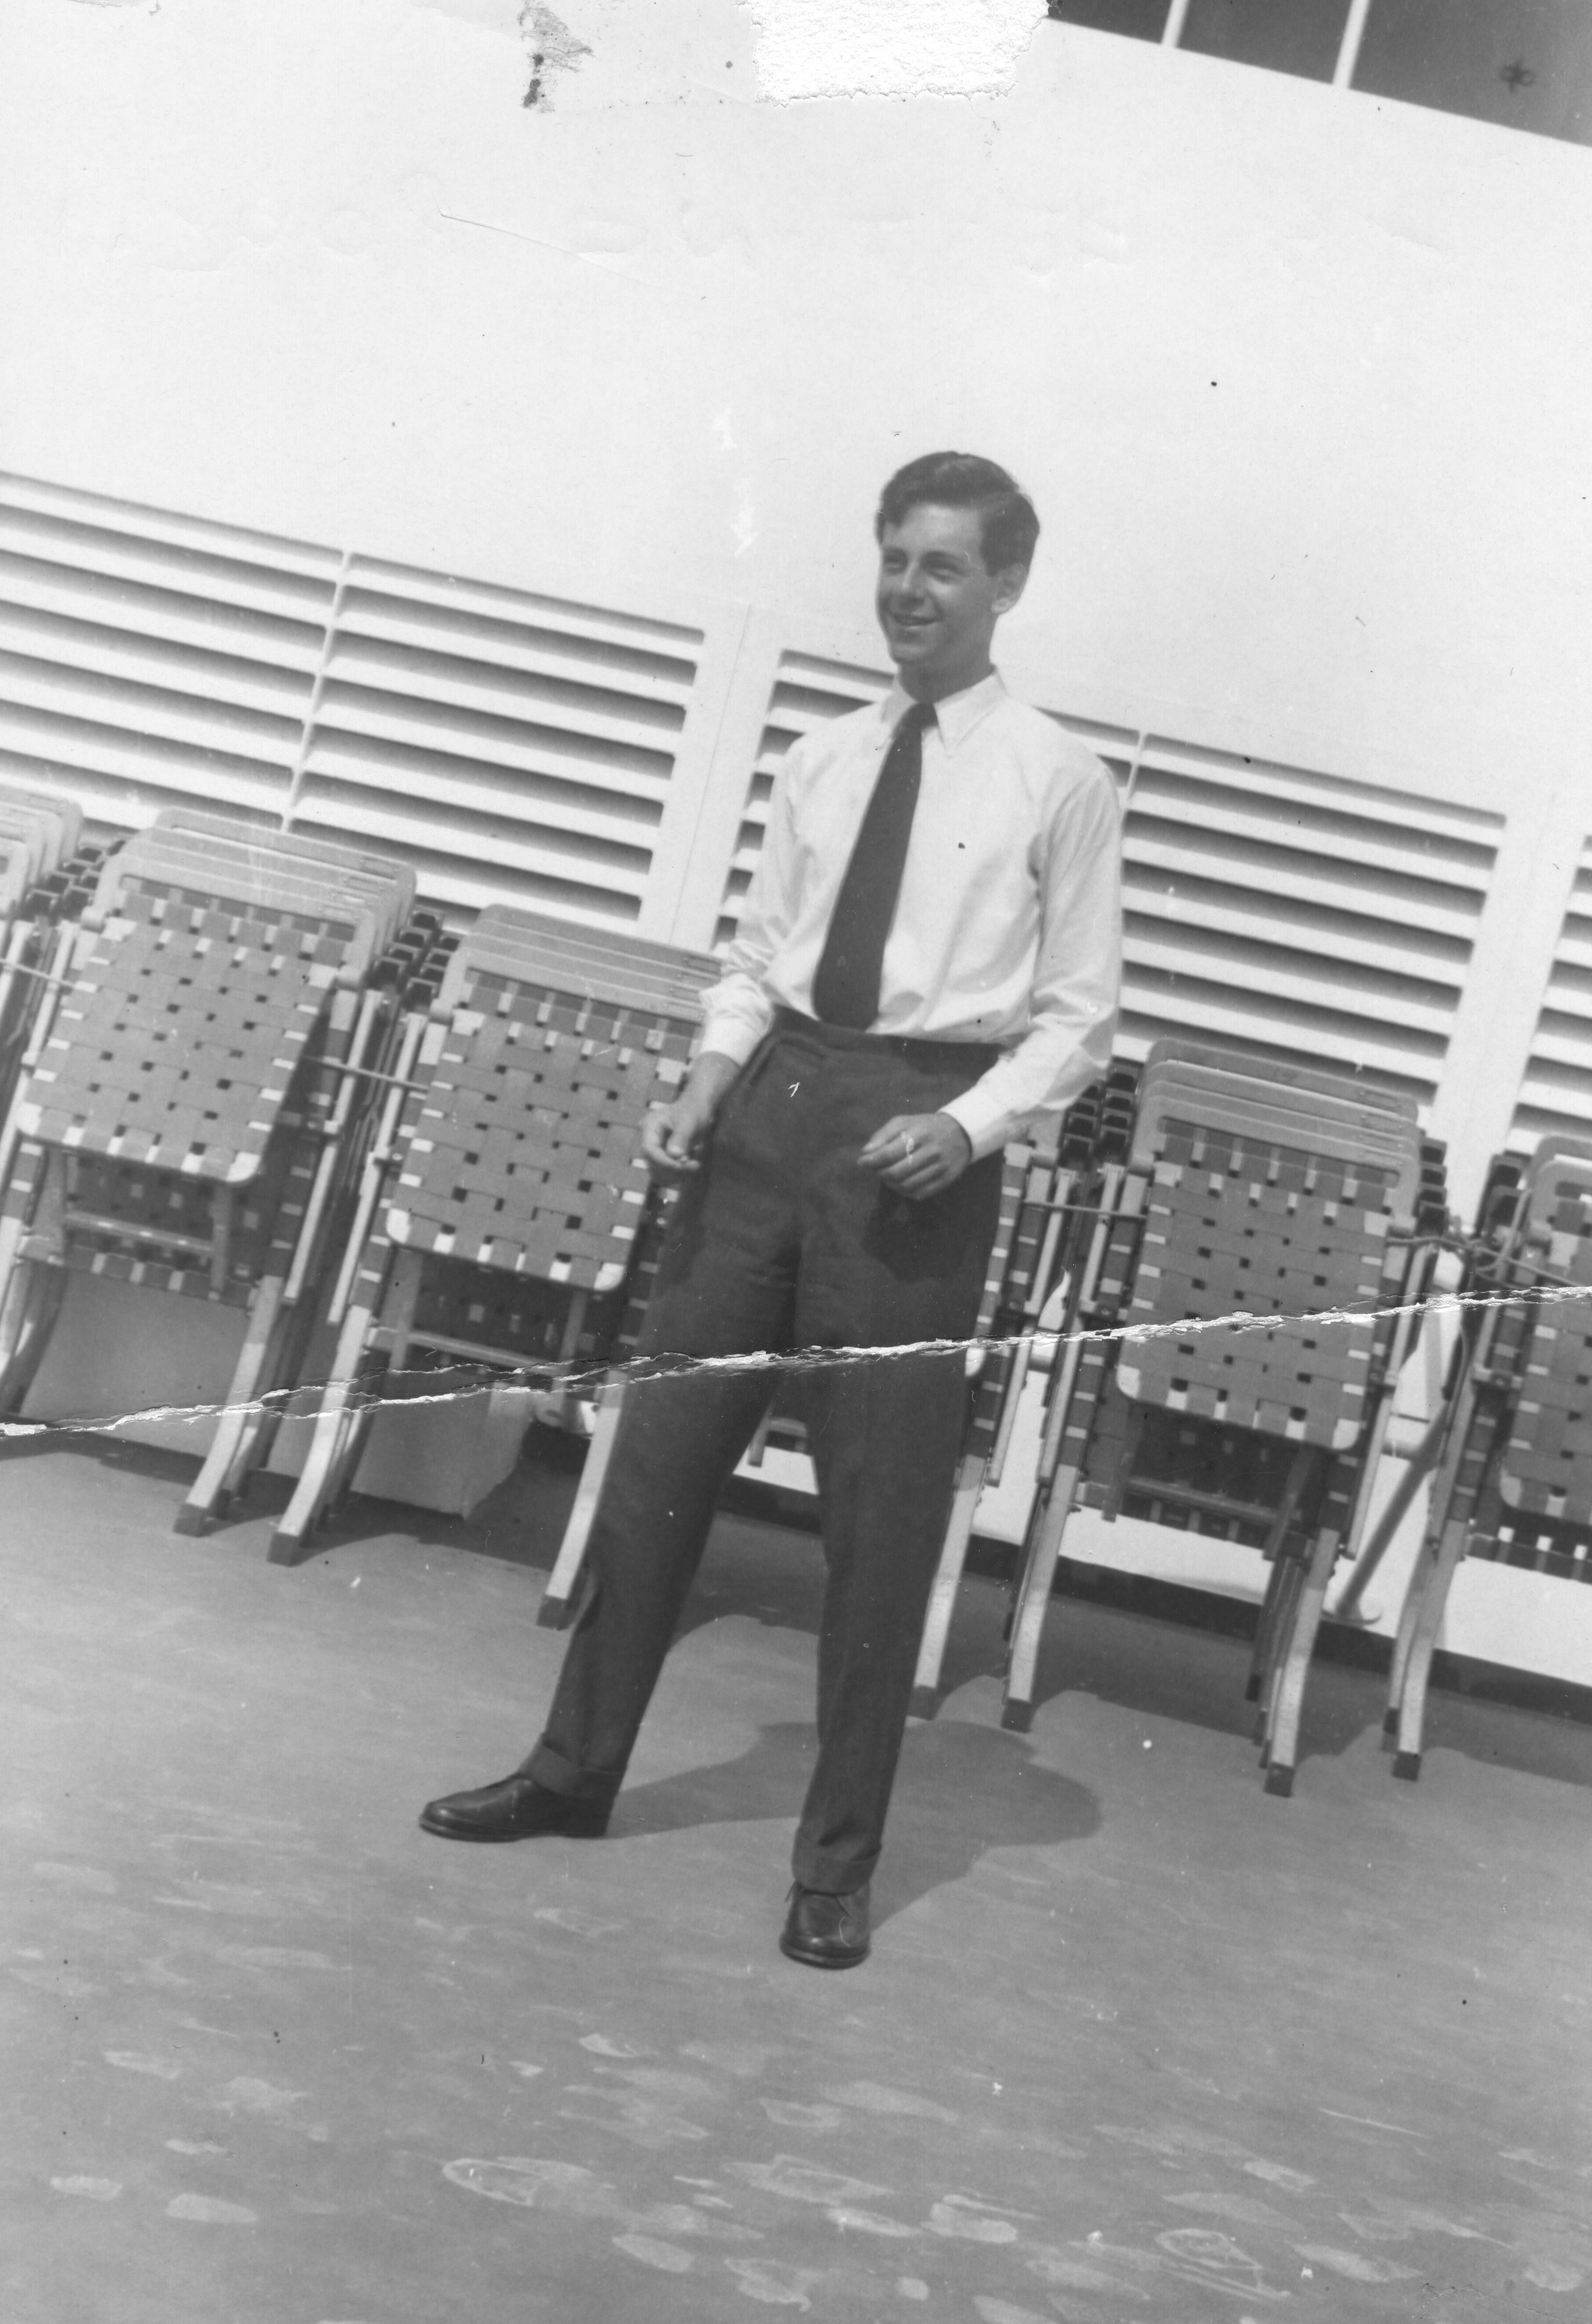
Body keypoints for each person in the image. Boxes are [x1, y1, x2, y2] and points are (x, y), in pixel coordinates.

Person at [419, 452, 1122, 1969]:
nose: (908, 591)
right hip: (770, 1120)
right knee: (657, 1463)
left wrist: (968, 1125)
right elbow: (754, 957)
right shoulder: (821, 757)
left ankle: (837, 1865)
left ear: (1006, 586)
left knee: (876, 1522)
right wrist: (707, 1080)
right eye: (894, 559)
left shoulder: (1058, 780)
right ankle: (572, 1773)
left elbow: (1078, 1020)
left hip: (917, 1147)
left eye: (943, 566)